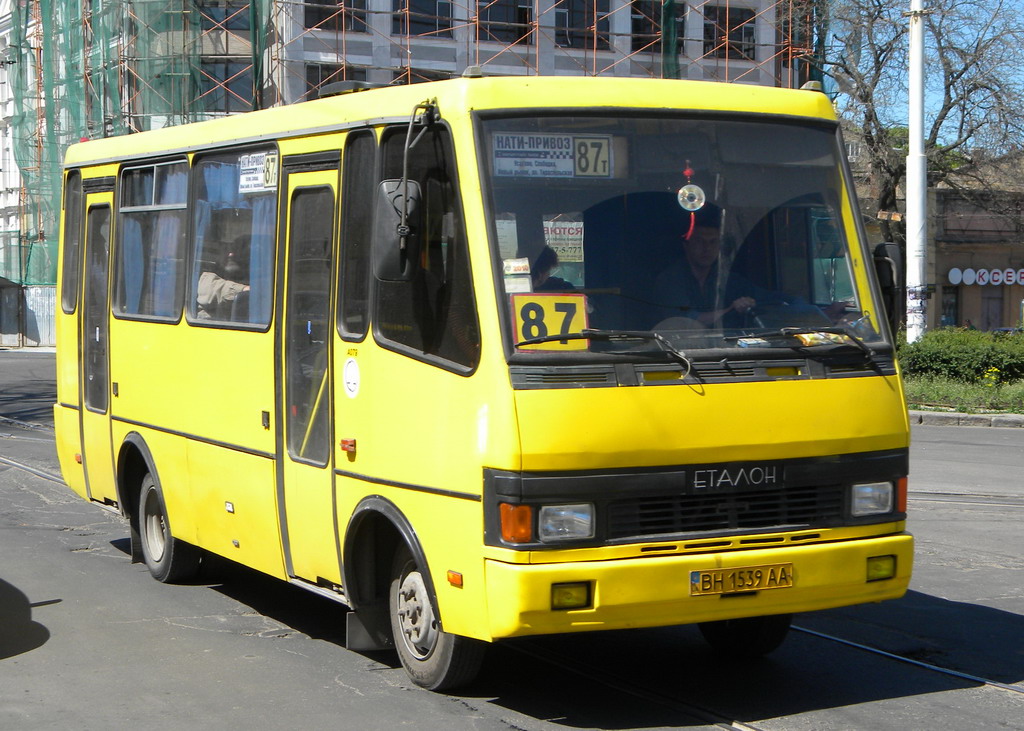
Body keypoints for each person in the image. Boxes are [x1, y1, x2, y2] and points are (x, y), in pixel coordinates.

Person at [653, 203, 761, 328]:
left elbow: (763, 297)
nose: (707, 248)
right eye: (700, 241)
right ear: (686, 246)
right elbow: (689, 321)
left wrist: (751, 302)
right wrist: (731, 309)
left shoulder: (727, 279)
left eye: (713, 242)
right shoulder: (669, 280)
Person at [196, 243, 250, 320]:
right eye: (227, 250)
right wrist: (244, 289)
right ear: (219, 255)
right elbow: (215, 290)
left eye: (237, 250)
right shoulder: (207, 274)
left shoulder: (251, 278)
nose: (231, 254)